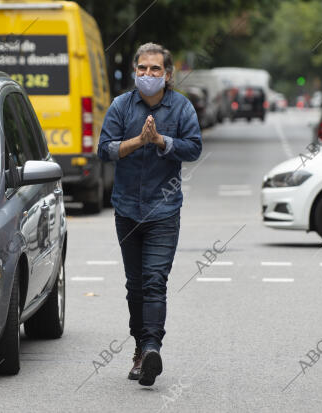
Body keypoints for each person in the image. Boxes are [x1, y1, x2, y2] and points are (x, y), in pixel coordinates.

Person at [97, 43, 202, 386]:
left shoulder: (181, 107)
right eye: (142, 68)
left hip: (164, 211)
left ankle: (152, 348)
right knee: (135, 286)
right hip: (127, 210)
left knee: (155, 281)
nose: (147, 74)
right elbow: (105, 149)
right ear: (134, 72)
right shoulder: (121, 106)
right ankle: (141, 349)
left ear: (168, 75)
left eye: (155, 69)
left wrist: (161, 140)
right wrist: (139, 142)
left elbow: (194, 147)